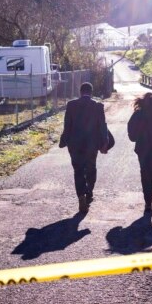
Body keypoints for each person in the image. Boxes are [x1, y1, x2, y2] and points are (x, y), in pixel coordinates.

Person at [59, 82, 108, 213]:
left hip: (75, 144)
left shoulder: (71, 105)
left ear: (80, 92)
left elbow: (67, 125)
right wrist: (105, 142)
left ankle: (81, 196)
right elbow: (103, 125)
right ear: (91, 92)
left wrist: (65, 140)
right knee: (91, 168)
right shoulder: (97, 106)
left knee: (78, 170)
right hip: (91, 144)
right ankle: (89, 192)